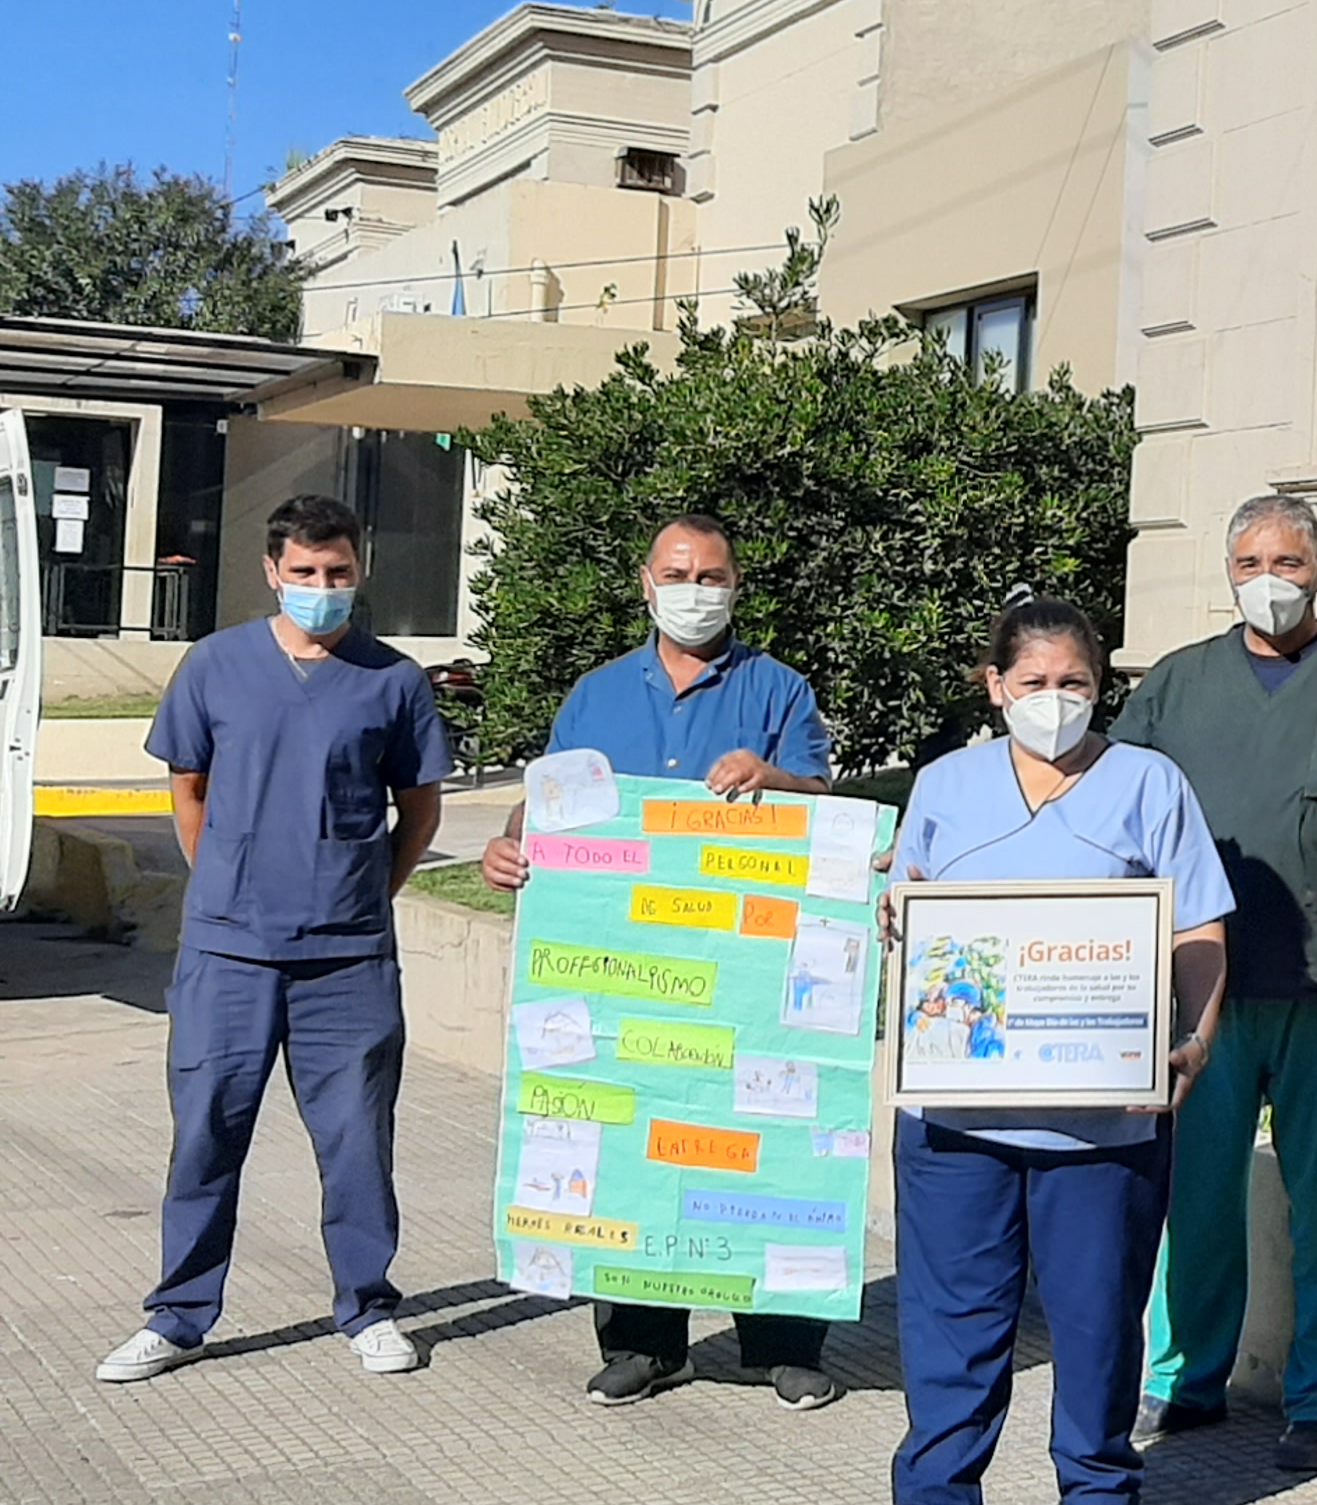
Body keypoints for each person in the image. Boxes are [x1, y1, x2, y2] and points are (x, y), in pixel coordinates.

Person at [873, 597, 1234, 1505]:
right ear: (993, 689)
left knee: (1097, 1319)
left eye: (1073, 682)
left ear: (1102, 685)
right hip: (957, 1121)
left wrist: (1194, 1041)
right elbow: (907, 917)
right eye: (1031, 683)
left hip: (1102, 1123)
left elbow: (1200, 924)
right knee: (953, 1327)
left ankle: (1102, 1498)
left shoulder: (1147, 784)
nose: (1053, 701)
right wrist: (898, 919)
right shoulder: (944, 788)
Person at [1112, 492, 1317, 1471]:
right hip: (1201, 989)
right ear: (1228, 573)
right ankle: (1185, 1378)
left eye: (1290, 562)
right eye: (1252, 560)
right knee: (1198, 1196)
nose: (1271, 579)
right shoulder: (1174, 687)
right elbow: (1108, 810)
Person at [480, 512, 841, 1412]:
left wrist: (777, 780)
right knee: (632, 1138)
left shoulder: (779, 691)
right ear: (645, 584)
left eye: (711, 577)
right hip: (626, 967)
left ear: (735, 587)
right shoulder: (595, 697)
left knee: (763, 1144)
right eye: (677, 575)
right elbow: (551, 807)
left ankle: (780, 1343)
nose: (694, 592)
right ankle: (645, 1342)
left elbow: (824, 801)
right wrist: (508, 845)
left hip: (750, 966)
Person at [96, 494, 451, 1387]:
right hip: (230, 952)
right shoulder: (215, 667)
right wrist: (227, 883)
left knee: (357, 1137)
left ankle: (367, 1306)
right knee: (206, 1134)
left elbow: (420, 810)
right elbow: (188, 790)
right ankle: (178, 1315)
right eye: (304, 575)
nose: (321, 591)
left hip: (347, 957)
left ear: (359, 571)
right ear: (271, 571)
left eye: (337, 575)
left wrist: (368, 891)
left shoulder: (393, 680)